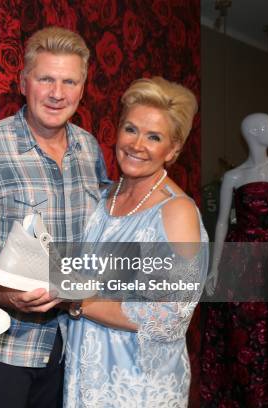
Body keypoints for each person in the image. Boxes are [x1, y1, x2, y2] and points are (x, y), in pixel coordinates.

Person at [0, 27, 108, 407]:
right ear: (23, 83)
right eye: (46, 79)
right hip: (4, 347)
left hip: (74, 343)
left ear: (82, 89)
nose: (57, 93)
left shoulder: (90, 149)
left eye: (69, 81)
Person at [63, 77, 207, 407]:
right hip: (86, 372)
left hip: (139, 385)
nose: (137, 144)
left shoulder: (177, 211)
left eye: (154, 137)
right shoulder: (103, 198)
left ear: (173, 150)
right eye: (131, 129)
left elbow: (170, 315)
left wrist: (76, 302)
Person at [201, 113, 268, 406]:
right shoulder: (233, 177)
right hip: (241, 258)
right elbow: (221, 223)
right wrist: (215, 267)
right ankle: (244, 393)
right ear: (256, 133)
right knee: (242, 325)